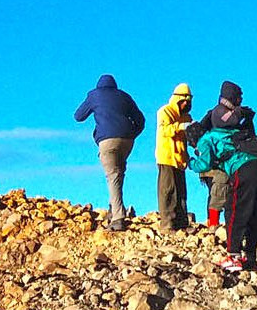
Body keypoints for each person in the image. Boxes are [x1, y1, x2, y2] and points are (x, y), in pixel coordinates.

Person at [187, 118, 257, 273]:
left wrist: (190, 162)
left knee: (234, 209)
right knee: (256, 211)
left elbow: (203, 164)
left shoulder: (205, 140)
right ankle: (250, 256)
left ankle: (233, 255)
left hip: (243, 168)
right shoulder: (223, 132)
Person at [74, 74, 146, 231]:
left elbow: (78, 116)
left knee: (112, 175)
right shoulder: (125, 96)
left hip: (107, 140)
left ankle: (118, 218)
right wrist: (132, 134)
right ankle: (114, 208)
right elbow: (141, 120)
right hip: (127, 140)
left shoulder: (94, 95)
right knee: (118, 173)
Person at [198, 81, 255, 232]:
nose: (240, 100)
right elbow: (229, 121)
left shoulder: (219, 112)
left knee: (221, 192)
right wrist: (241, 113)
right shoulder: (219, 111)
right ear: (232, 96)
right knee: (218, 191)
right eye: (238, 97)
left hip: (220, 161)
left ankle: (216, 224)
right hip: (218, 162)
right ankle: (213, 225)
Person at [156, 83, 193, 231]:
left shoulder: (186, 117)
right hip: (167, 156)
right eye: (183, 100)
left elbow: (186, 138)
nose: (186, 104)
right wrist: (180, 127)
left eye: (188, 101)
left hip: (180, 158)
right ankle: (167, 223)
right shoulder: (165, 111)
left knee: (181, 191)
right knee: (168, 190)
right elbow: (165, 130)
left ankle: (182, 223)